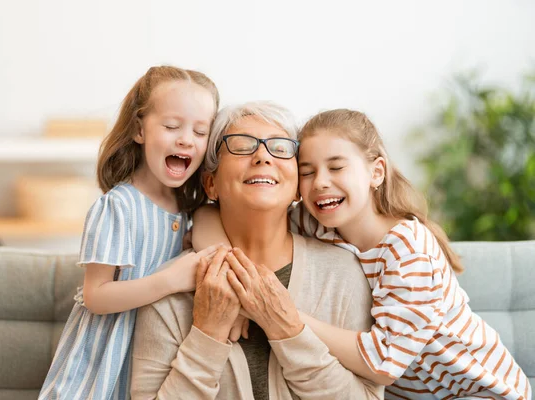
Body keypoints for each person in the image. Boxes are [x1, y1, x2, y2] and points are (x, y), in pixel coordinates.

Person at [130, 102, 384, 399]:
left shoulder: (342, 273)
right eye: (241, 146)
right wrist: (207, 336)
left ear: (297, 186)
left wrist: (289, 330)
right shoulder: (168, 291)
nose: (263, 156)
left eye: (280, 148)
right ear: (210, 184)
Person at [289, 109, 532, 399]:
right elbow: (247, 219)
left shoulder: (407, 247)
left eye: (336, 167)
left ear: (375, 172)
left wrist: (290, 320)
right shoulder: (315, 222)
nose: (320, 182)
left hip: (484, 392)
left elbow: (384, 362)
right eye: (307, 172)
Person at [38, 65, 221, 400]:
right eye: (171, 126)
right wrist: (170, 280)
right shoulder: (118, 207)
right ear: (140, 129)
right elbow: (96, 296)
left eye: (200, 131)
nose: (185, 139)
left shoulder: (187, 209)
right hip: (106, 358)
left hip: (156, 354)